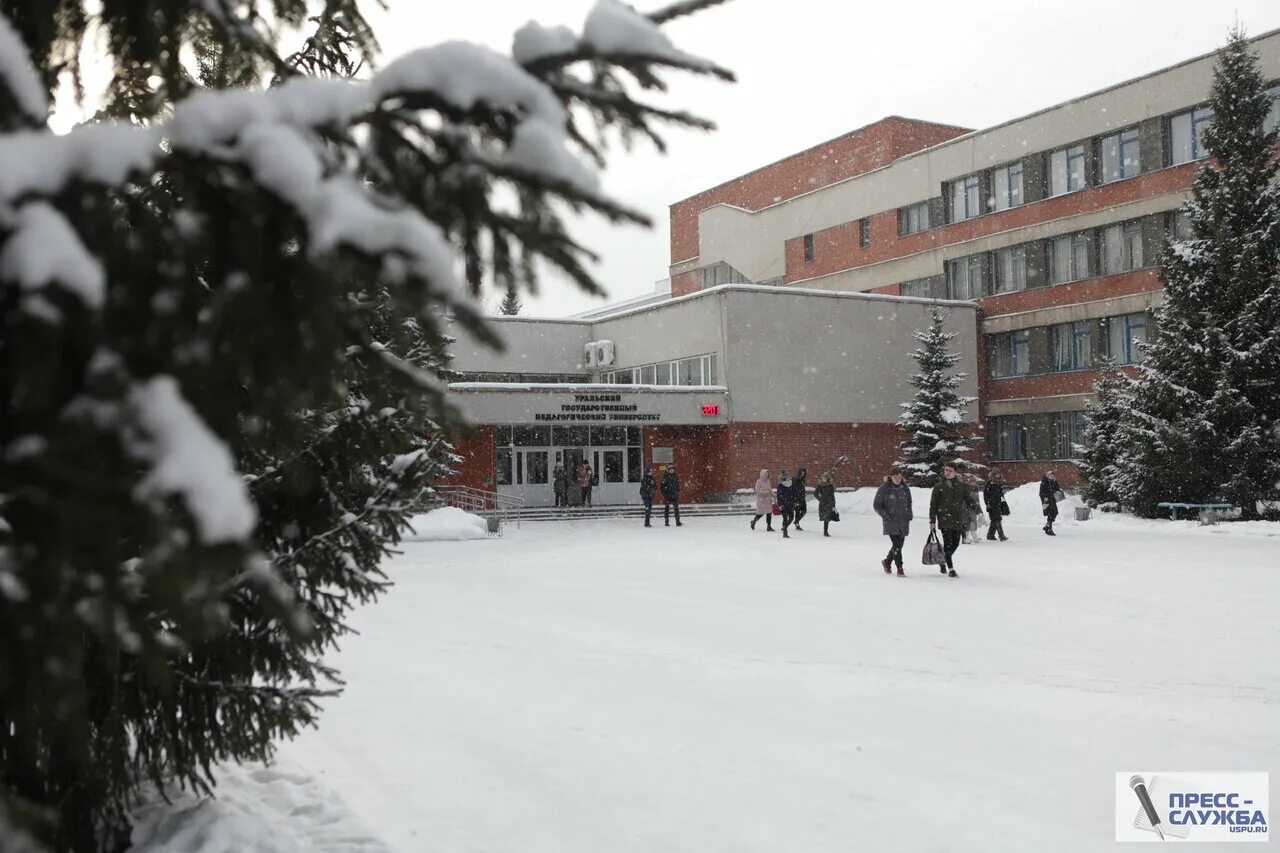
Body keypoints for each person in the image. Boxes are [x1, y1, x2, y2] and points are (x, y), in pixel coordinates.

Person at [929, 463, 979, 578]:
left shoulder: (961, 487)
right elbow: (933, 505)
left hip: (957, 519)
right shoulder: (939, 487)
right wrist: (932, 520)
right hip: (944, 519)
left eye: (950, 470)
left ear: (955, 472)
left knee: (956, 543)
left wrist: (979, 511)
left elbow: (969, 500)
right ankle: (950, 568)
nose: (947, 472)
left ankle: (943, 559)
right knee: (947, 543)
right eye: (946, 470)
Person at [873, 467, 912, 575]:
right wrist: (885, 516)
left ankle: (887, 561)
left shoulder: (905, 488)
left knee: (898, 545)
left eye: (899, 477)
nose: (898, 479)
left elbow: (909, 503)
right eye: (895, 477)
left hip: (903, 521)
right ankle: (900, 568)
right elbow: (877, 505)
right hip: (891, 521)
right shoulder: (885, 488)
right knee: (897, 545)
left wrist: (909, 515)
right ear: (891, 477)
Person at [983, 471, 1009, 541]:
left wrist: (1003, 503)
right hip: (992, 504)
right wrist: (987, 503)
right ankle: (1001, 536)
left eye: (999, 474)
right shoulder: (989, 484)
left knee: (994, 520)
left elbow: (1000, 495)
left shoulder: (998, 484)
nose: (998, 476)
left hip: (998, 504)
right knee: (997, 519)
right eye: (997, 474)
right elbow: (985, 495)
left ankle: (990, 535)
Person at [813, 472, 837, 537]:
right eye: (822, 478)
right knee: (825, 517)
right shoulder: (820, 486)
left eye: (824, 478)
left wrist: (834, 504)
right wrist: (820, 499)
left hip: (829, 503)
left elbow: (832, 495)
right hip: (823, 504)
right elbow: (815, 493)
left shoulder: (830, 486)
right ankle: (825, 532)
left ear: (827, 479)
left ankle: (825, 532)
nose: (823, 479)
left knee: (827, 517)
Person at [962, 474, 983, 544]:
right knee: (967, 524)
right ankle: (965, 538)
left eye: (974, 482)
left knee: (973, 524)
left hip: (973, 510)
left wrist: (979, 511)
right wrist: (966, 508)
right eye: (972, 482)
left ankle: (975, 538)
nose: (973, 483)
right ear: (969, 483)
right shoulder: (967, 490)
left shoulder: (976, 490)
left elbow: (977, 501)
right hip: (967, 510)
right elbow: (965, 500)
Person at [1040, 470, 1062, 536]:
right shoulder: (1044, 481)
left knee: (1054, 513)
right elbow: (1041, 491)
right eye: (1051, 475)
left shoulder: (1053, 481)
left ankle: (1047, 526)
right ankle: (1049, 529)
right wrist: (1045, 497)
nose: (1052, 477)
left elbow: (1057, 489)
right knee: (1050, 513)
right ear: (1047, 476)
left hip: (1052, 499)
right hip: (1046, 500)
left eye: (1053, 476)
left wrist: (1055, 481)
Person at [776, 469, 796, 538]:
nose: (785, 476)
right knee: (785, 518)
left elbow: (793, 493)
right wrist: (780, 504)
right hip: (783, 504)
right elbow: (779, 496)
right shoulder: (780, 485)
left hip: (790, 504)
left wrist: (794, 501)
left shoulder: (791, 484)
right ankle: (785, 532)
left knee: (791, 518)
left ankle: (784, 528)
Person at [792, 467, 809, 531]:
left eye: (804, 472)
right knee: (797, 511)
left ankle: (796, 521)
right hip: (796, 498)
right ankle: (796, 524)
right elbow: (794, 489)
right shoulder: (795, 479)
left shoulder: (803, 480)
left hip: (802, 498)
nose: (803, 474)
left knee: (804, 511)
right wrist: (795, 498)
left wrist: (804, 493)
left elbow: (802, 489)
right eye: (802, 472)